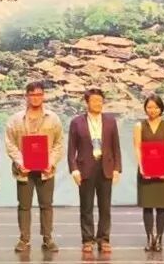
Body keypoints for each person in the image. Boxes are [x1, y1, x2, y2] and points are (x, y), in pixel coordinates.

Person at [5, 80, 64, 253]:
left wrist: (50, 162)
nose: (36, 98)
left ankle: (48, 238)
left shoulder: (53, 118)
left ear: (43, 96)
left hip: (46, 170)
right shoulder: (15, 119)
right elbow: (10, 144)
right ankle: (24, 239)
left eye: (39, 94)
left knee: (46, 205)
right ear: (26, 96)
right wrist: (20, 162)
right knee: (24, 206)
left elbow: (59, 143)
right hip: (24, 171)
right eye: (32, 95)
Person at [68, 88, 122, 255]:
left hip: (105, 167)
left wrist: (117, 168)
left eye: (100, 100)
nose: (98, 104)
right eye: (94, 101)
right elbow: (71, 149)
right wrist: (74, 169)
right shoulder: (77, 122)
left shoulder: (110, 121)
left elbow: (116, 147)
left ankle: (104, 239)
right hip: (85, 168)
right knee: (86, 206)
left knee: (105, 207)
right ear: (87, 102)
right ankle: (87, 240)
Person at [134, 94, 164, 252]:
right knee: (148, 206)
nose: (152, 110)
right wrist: (141, 167)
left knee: (161, 207)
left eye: (156, 107)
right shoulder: (139, 126)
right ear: (145, 108)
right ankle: (150, 237)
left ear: (161, 109)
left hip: (163, 170)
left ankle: (159, 239)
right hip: (146, 170)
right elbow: (137, 147)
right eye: (149, 107)